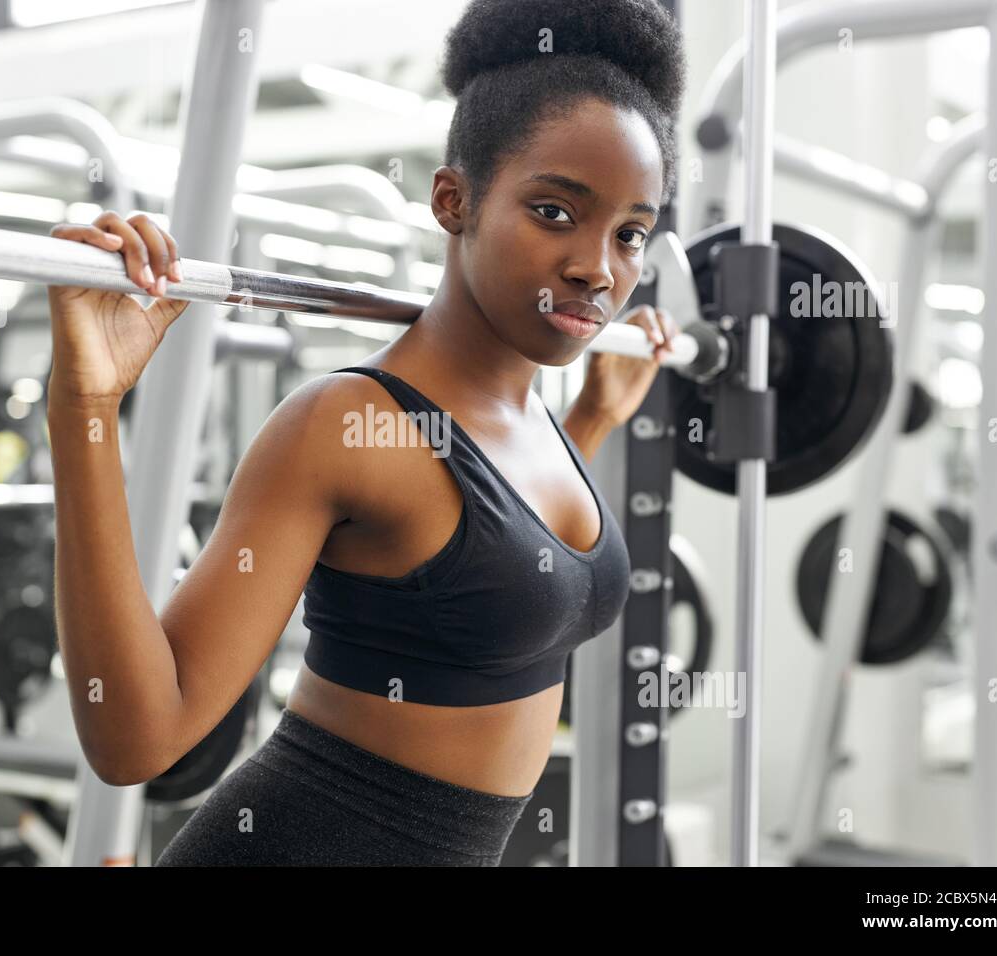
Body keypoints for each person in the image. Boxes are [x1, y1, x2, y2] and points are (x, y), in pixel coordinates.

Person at [45, 0, 685, 866]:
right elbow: (136, 741)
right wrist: (83, 407)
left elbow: (505, 579)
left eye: (631, 233)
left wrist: (598, 417)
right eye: (555, 213)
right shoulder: (347, 425)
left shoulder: (537, 413)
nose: (597, 268)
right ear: (454, 200)